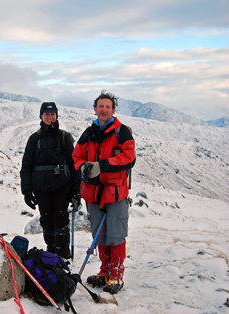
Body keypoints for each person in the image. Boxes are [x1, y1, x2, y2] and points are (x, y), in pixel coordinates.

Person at [72, 91, 135, 294]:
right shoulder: (89, 133)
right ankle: (105, 271)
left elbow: (129, 157)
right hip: (94, 192)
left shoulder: (121, 131)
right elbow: (77, 155)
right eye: (101, 106)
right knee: (100, 235)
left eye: (107, 107)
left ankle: (116, 275)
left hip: (115, 192)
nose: (104, 110)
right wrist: (84, 167)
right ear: (95, 109)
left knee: (116, 234)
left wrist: (102, 165)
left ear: (113, 110)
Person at [20, 102, 81, 259]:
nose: (50, 117)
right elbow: (26, 166)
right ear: (41, 116)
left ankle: (63, 254)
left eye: (52, 114)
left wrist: (76, 191)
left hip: (62, 185)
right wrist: (26, 191)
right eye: (47, 114)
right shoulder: (34, 139)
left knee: (60, 218)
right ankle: (51, 252)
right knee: (46, 219)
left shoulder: (64, 137)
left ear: (57, 116)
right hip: (40, 187)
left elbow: (74, 165)